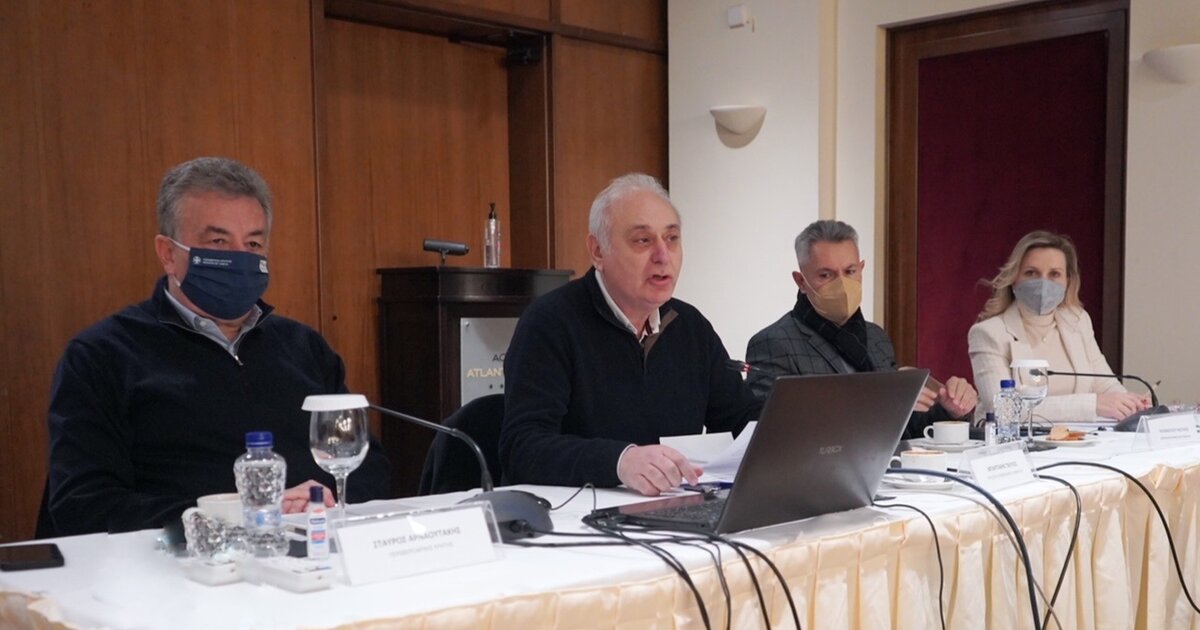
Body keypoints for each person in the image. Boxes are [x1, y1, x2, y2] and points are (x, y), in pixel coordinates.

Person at [46, 157, 390, 536]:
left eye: (253, 243)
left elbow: (366, 466)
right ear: (168, 254)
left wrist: (324, 500)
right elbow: (85, 505)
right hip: (175, 564)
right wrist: (240, 516)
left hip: (312, 551)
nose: (240, 257)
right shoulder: (102, 356)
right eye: (219, 242)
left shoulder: (304, 348)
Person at [499, 173, 762, 496]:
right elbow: (522, 447)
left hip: (672, 509)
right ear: (598, 251)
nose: (663, 256)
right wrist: (619, 461)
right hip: (579, 515)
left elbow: (740, 419)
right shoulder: (550, 322)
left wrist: (794, 434)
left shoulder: (690, 325)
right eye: (643, 241)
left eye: (672, 238)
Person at [745, 220, 977, 438]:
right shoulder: (773, 343)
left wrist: (950, 410)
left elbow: (905, 429)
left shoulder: (876, 338)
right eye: (826, 275)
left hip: (886, 465)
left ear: (862, 269)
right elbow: (776, 432)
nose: (842, 284)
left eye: (850, 271)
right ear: (801, 281)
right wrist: (879, 403)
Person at [968, 230, 1150, 423]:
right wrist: (1093, 405)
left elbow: (1105, 384)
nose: (1043, 283)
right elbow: (1004, 408)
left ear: (1067, 282)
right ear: (1014, 278)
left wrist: (1130, 404)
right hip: (1011, 440)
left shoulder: (1078, 321)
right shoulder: (988, 333)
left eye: (1054, 274)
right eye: (1031, 273)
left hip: (1077, 438)